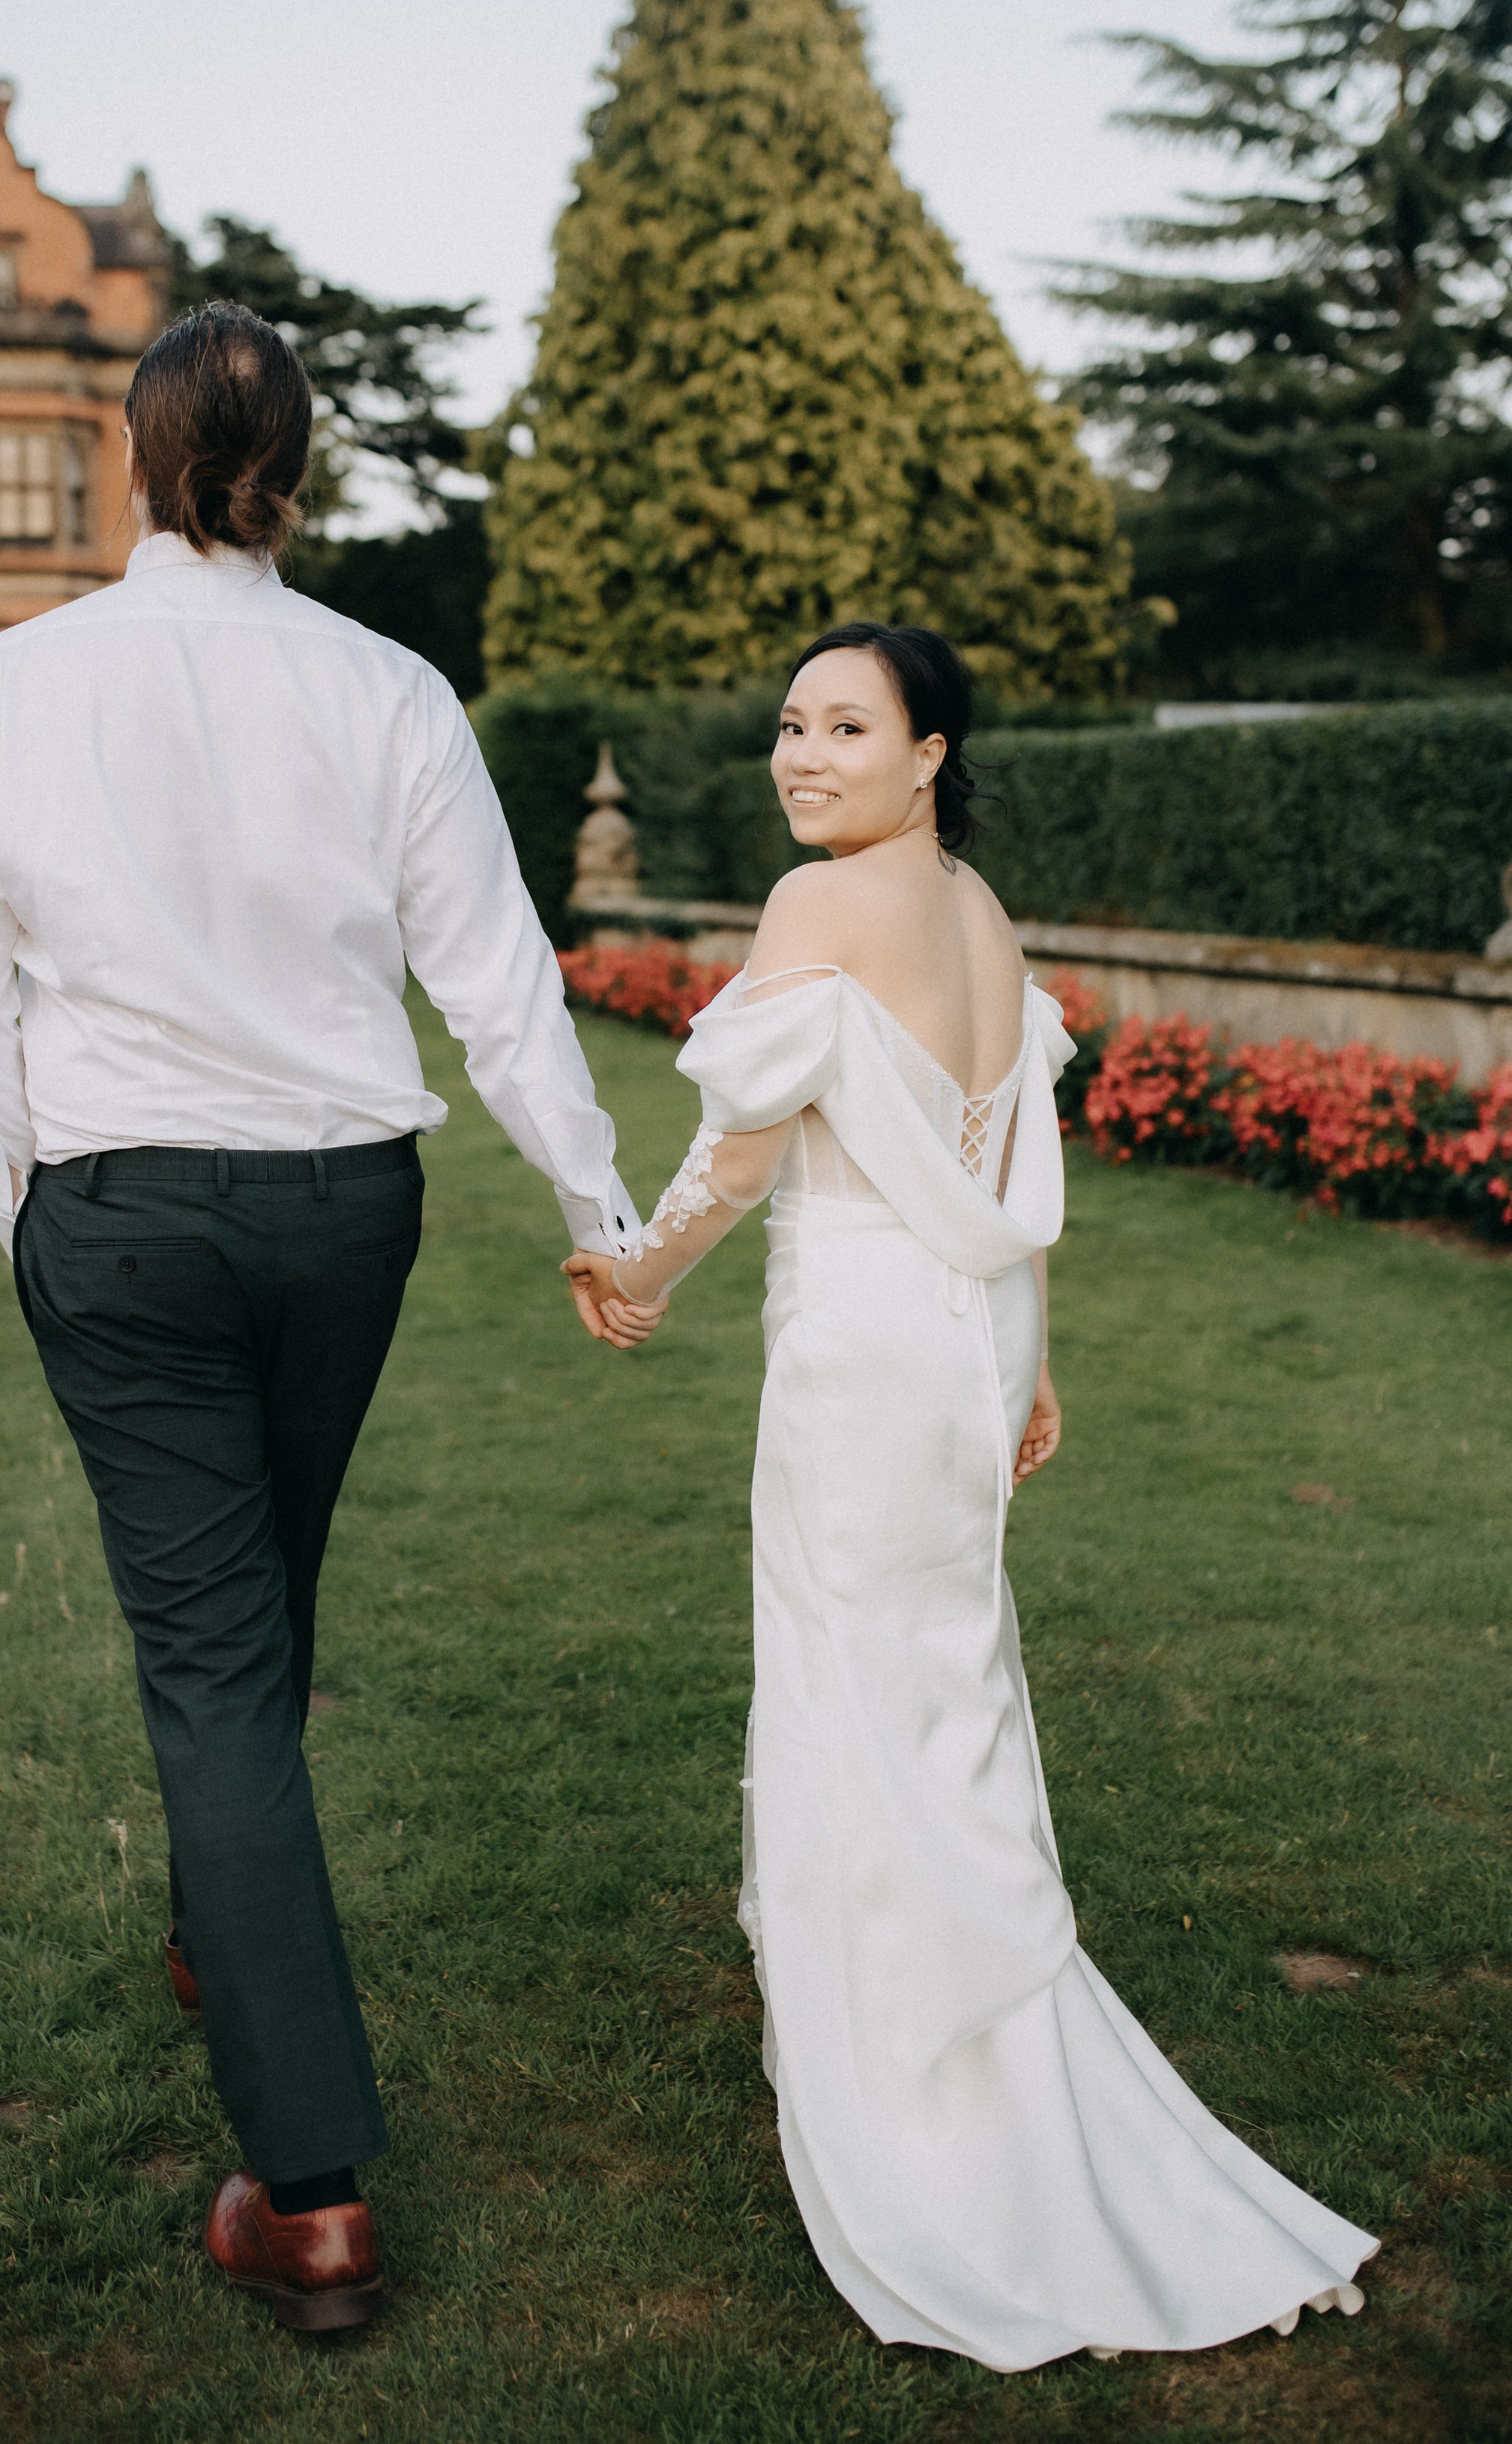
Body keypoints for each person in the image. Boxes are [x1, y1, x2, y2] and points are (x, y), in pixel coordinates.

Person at [0, 302, 639, 2333]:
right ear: (293, 474)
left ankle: (310, 2197)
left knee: (228, 1648)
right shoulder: (388, 687)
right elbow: (496, 975)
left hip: (131, 1211)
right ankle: (214, 1925)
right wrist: (595, 1197)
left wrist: (21, 1209)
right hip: (339, 1212)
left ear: (133, 466)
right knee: (254, 1612)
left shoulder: (18, 678)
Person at [561, 621, 1377, 2373]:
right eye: (790, 725)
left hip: (865, 1347)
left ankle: (911, 2080)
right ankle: (967, 2020)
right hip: (967, 1336)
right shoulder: (985, 913)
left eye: (845, 727)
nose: (802, 756)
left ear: (928, 751)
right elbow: (1002, 1156)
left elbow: (744, 1149)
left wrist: (633, 1267)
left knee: (861, 1688)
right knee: (945, 1690)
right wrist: (1030, 1356)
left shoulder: (817, 912)